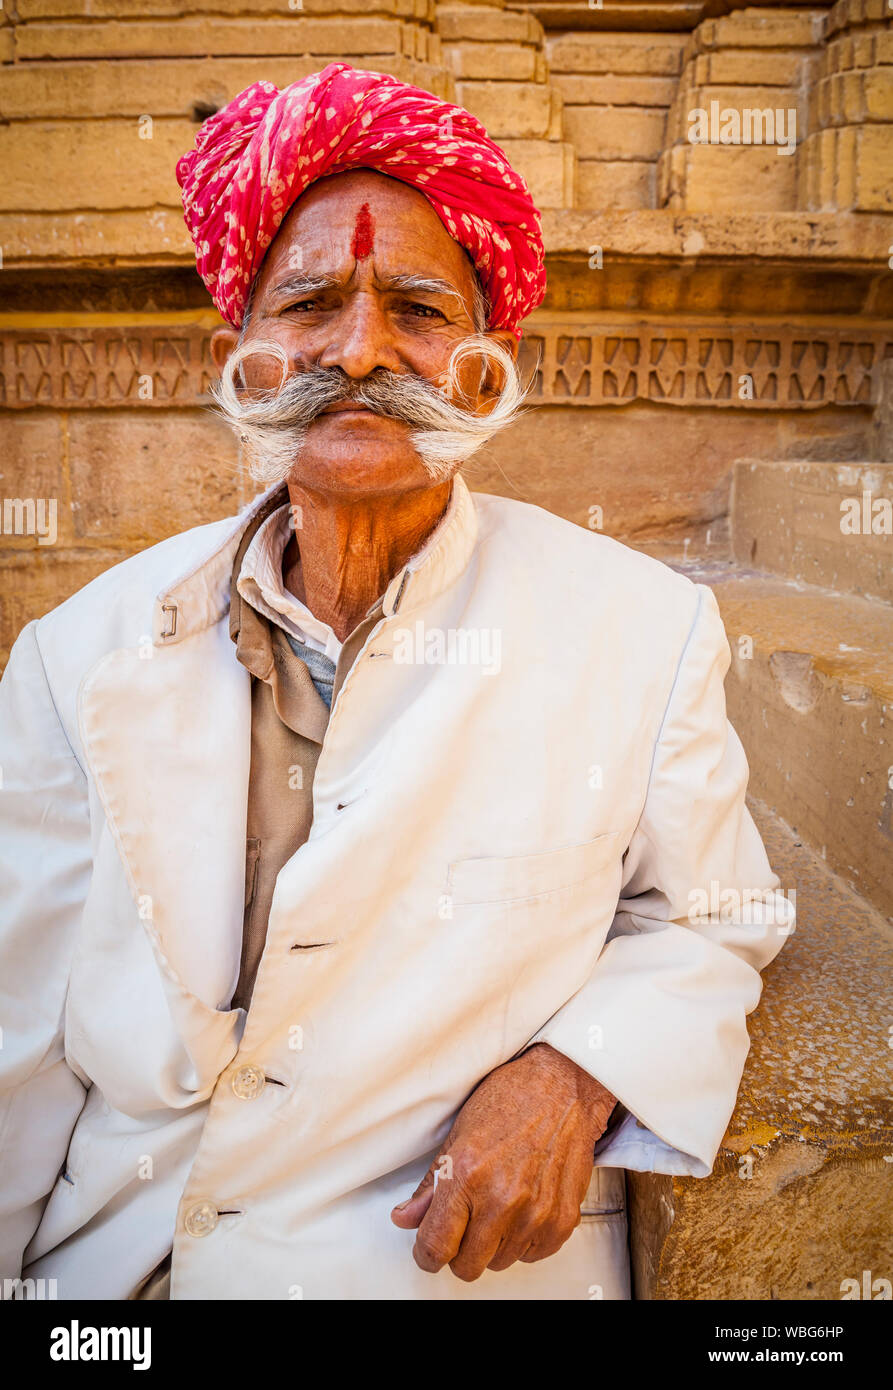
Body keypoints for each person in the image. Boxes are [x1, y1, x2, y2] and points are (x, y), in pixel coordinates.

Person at [0, 64, 792, 1300]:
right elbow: (18, 1036)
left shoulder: (638, 629)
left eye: (416, 310)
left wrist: (577, 1073)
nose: (359, 350)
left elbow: (712, 918)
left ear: (486, 364)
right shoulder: (76, 650)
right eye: (309, 302)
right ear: (243, 356)